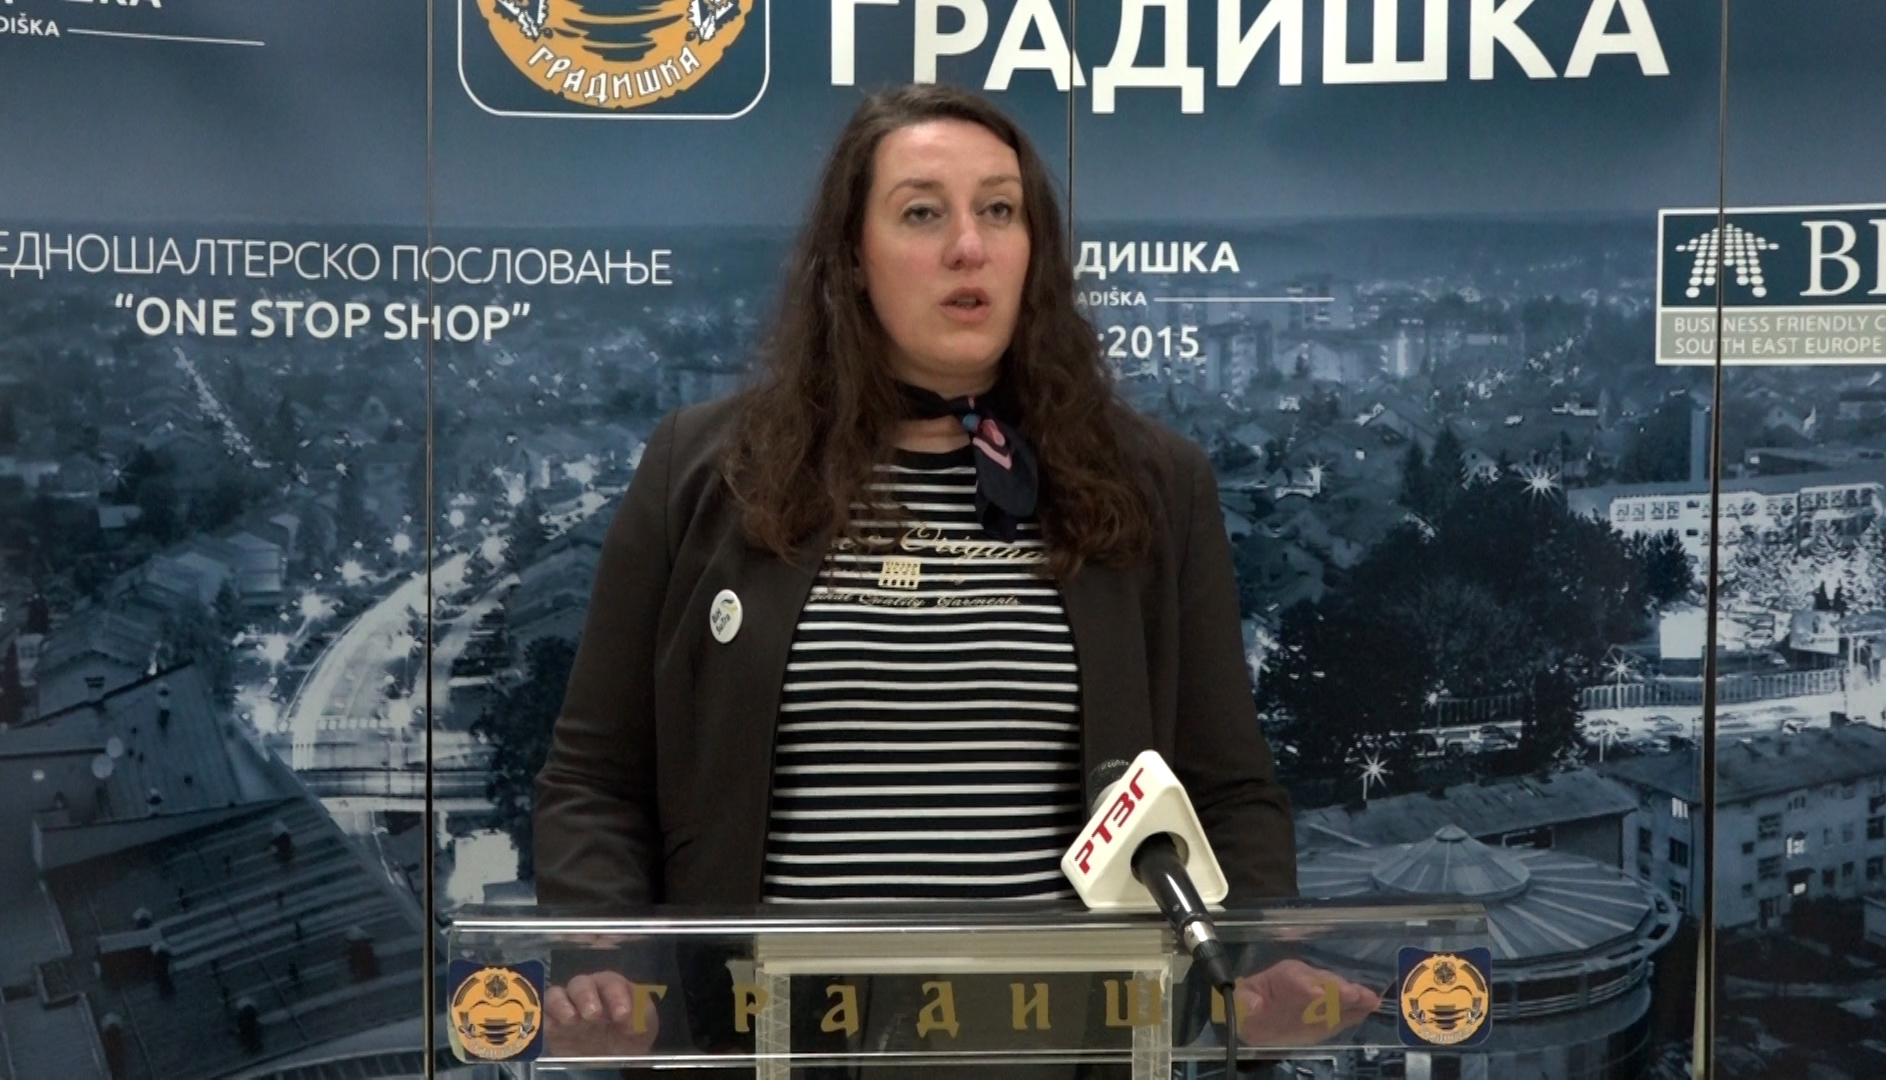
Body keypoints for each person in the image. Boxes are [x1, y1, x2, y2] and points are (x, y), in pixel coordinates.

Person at [531, 84, 1379, 1066]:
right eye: (923, 213)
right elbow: (596, 778)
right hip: (775, 1046)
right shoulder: (704, 469)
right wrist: (604, 962)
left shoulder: (1153, 482)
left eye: (1000, 210)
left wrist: (1260, 961)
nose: (968, 247)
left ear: (1035, 252)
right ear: (852, 258)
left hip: (1056, 1047)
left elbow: (1227, 787)